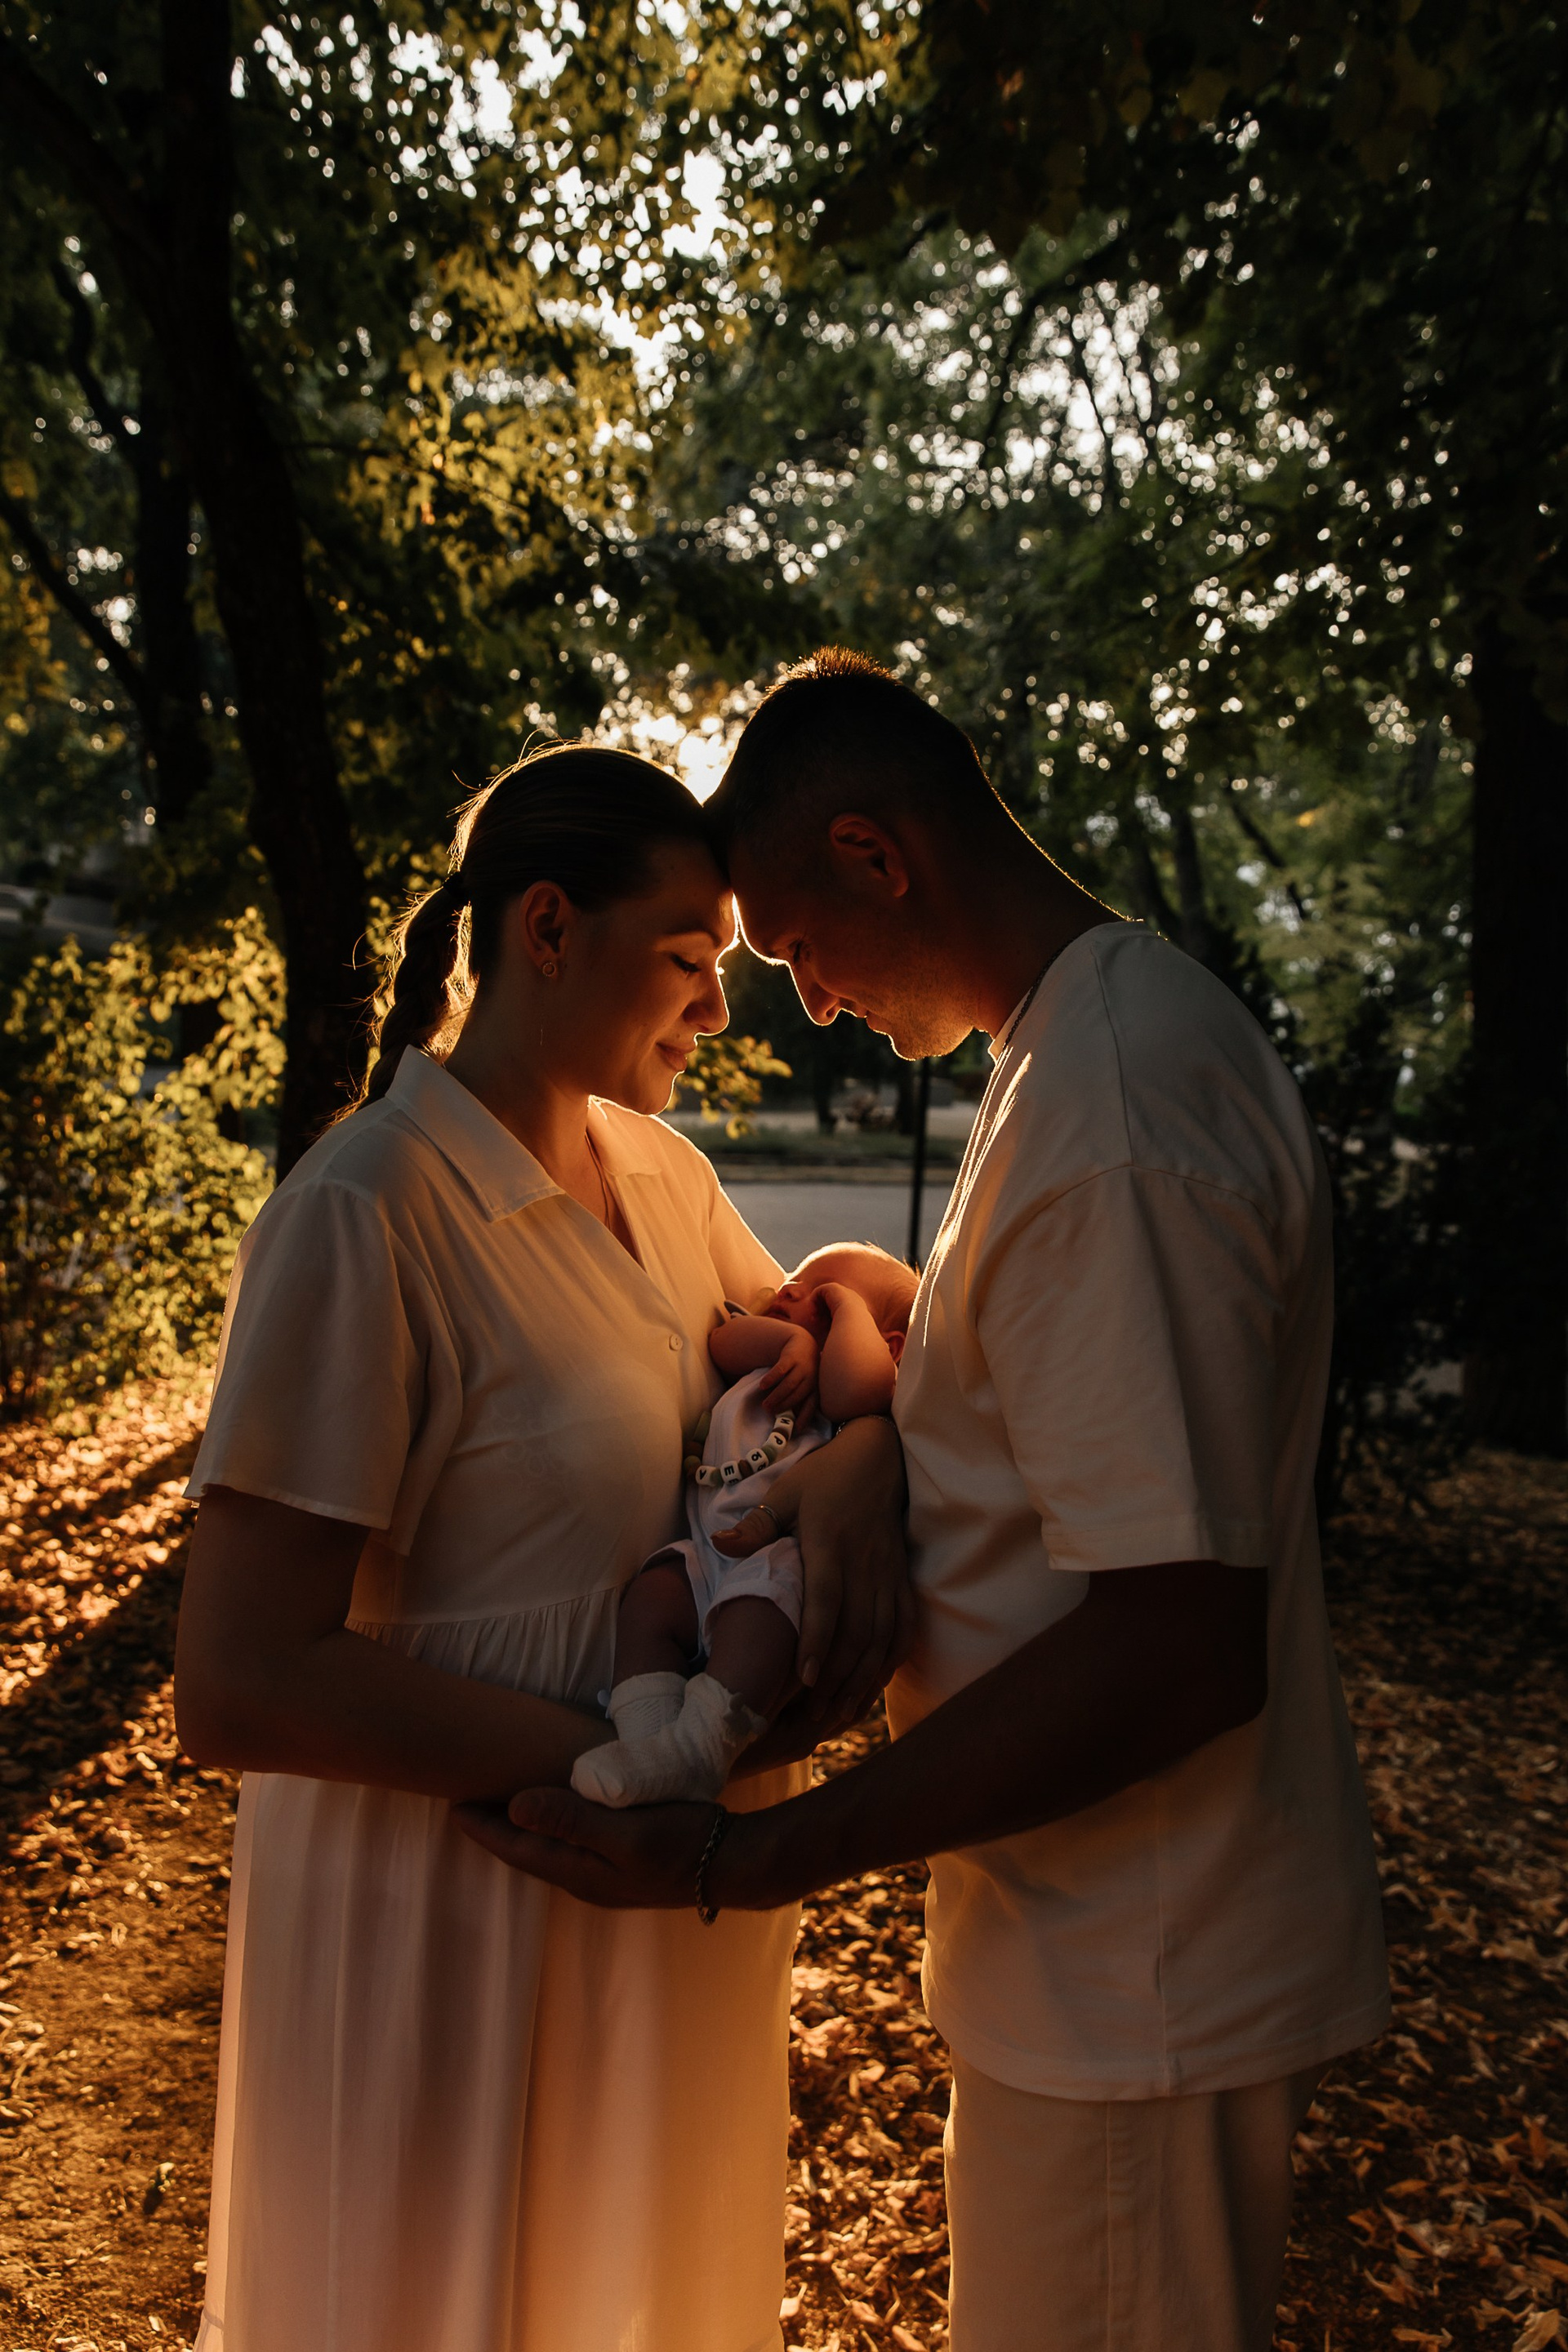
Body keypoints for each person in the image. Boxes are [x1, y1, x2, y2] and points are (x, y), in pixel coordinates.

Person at [459, 657, 1392, 2352]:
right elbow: (1040, 1416)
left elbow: (1178, 1646)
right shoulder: (1084, 1053)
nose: (807, 1004)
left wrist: (750, 1858)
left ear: (876, 856)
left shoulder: (1115, 1115)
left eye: (796, 946)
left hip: (1139, 1978)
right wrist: (876, 1427)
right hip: (1085, 1960)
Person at [172, 742, 909, 2352]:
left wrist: (857, 1454)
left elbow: (826, 1348)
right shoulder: (368, 1212)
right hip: (448, 1916)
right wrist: (624, 1768)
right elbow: (238, 1679)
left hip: (655, 1920)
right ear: (550, 928)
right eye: (689, 957)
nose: (719, 1009)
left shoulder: (665, 1177)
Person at [575, 1241, 919, 1807]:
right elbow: (722, 1340)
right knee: (651, 1600)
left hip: (780, 1557)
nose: (793, 1291)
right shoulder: (767, 1356)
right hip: (706, 1548)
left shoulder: (849, 1391)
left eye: (823, 1297)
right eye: (796, 1281)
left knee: (760, 1617)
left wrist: (842, 1313)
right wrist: (793, 1339)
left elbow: (856, 1391)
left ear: (888, 1346)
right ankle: (645, 1744)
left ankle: (698, 1749)